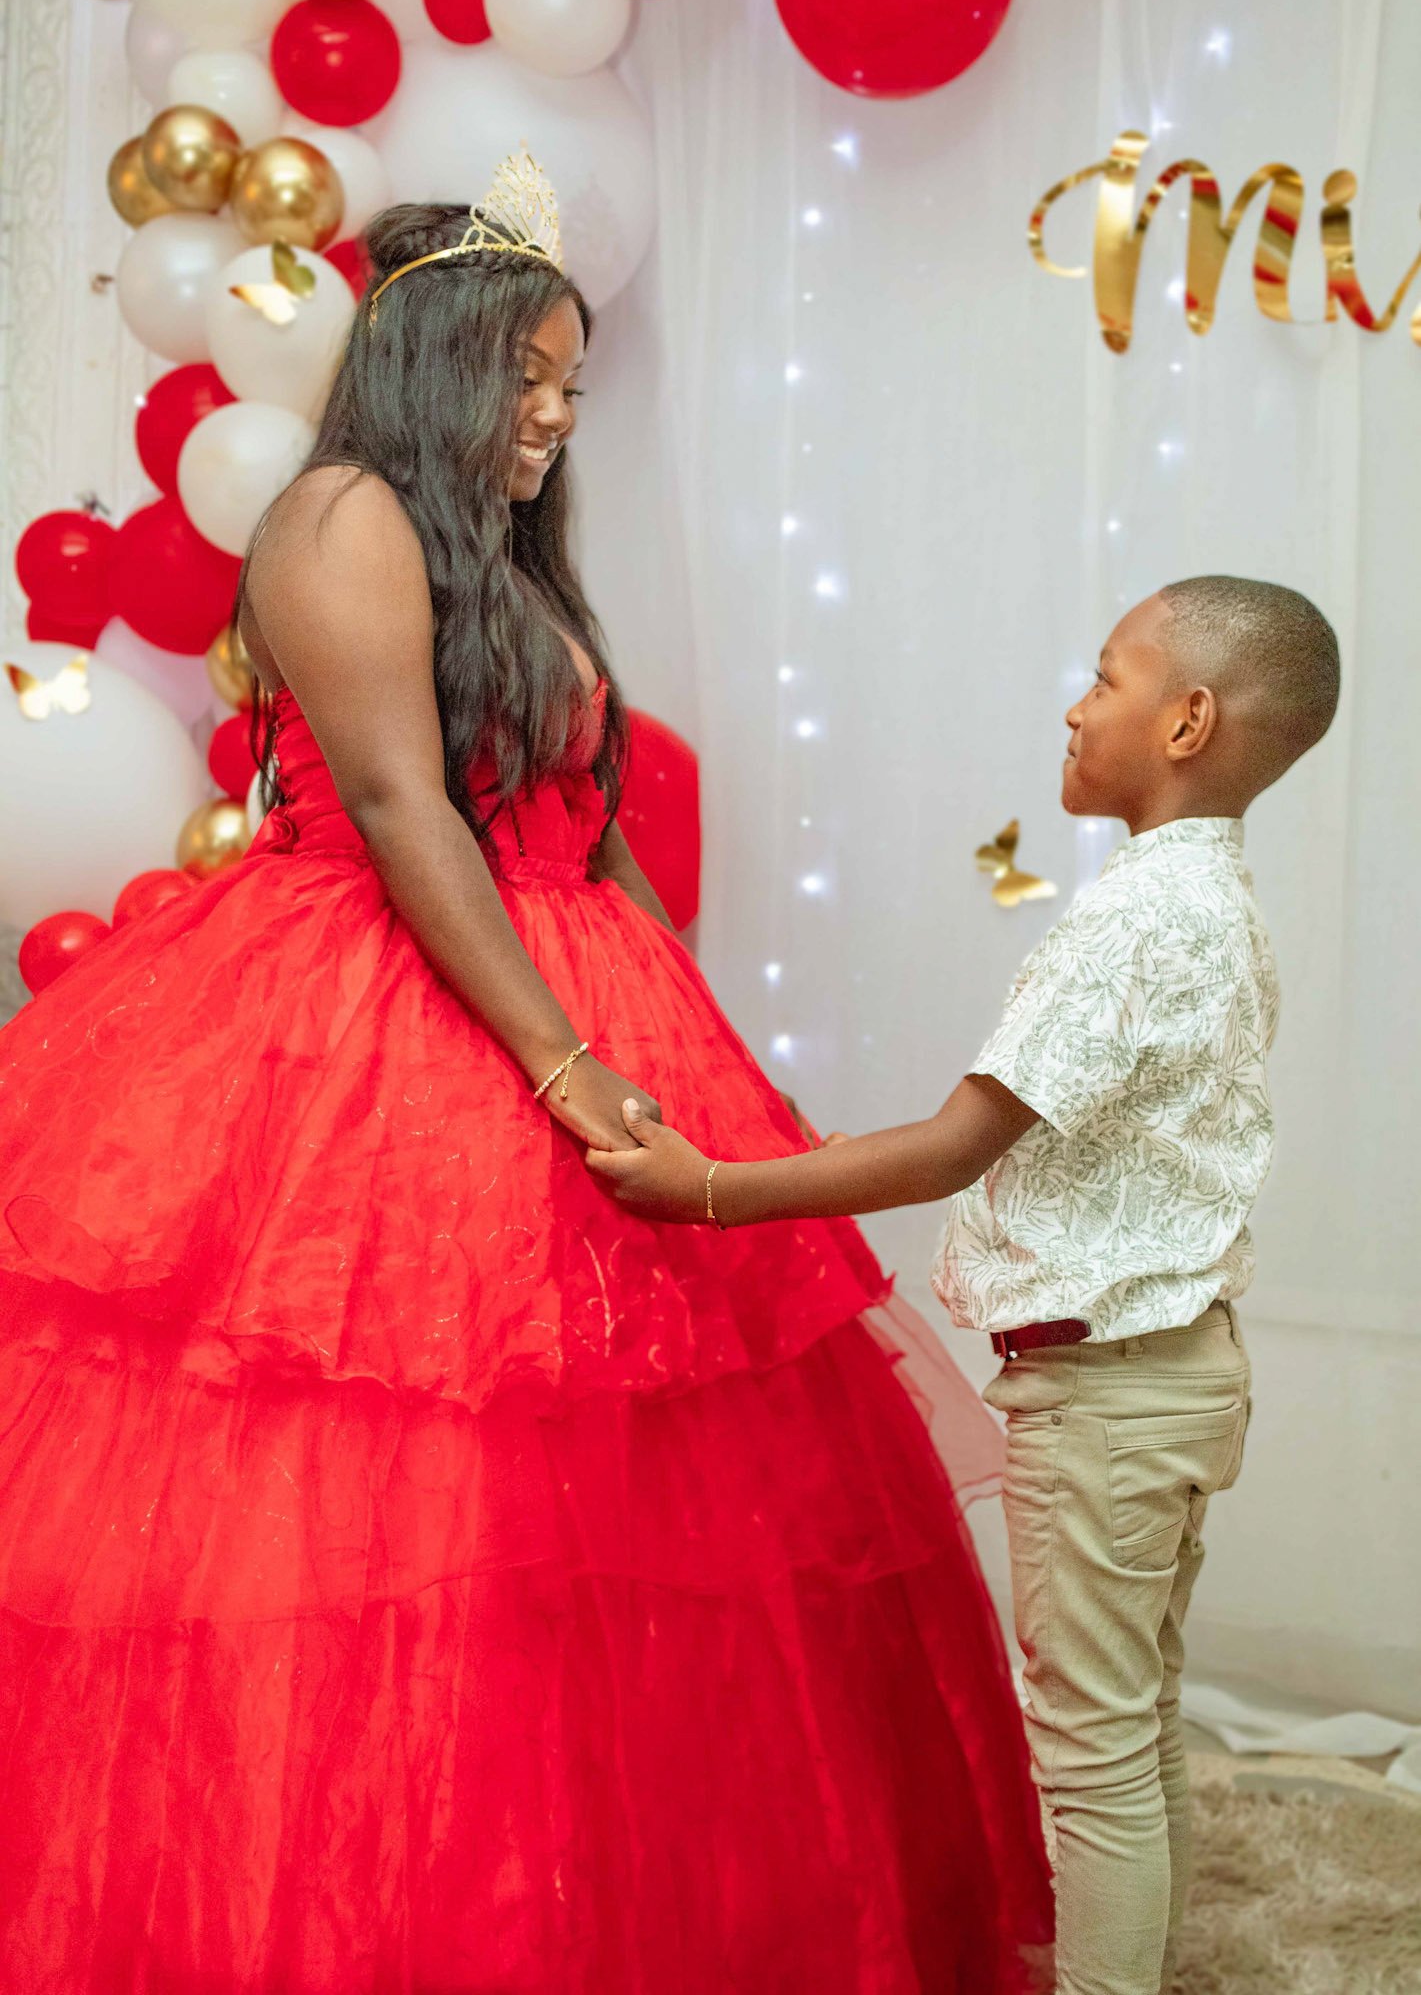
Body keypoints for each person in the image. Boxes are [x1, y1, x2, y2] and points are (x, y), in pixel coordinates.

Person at [0, 154, 1053, 1991]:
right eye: (532, 378)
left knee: (625, 1474)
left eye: (574, 383)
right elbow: (399, 806)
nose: (560, 417)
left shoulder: (500, 555)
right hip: (377, 1004)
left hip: (558, 971)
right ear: (441, 369)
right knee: (378, 1432)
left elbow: (588, 820)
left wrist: (687, 1041)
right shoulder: (339, 514)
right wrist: (562, 1066)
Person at [593, 575, 1341, 1995]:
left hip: (1108, 1400)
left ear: (1186, 722)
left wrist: (712, 1187)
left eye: (1105, 678)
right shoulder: (1210, 900)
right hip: (1181, 1377)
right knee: (1137, 1719)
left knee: (1092, 1752)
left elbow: (953, 1146)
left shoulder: (1133, 921)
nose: (1075, 706)